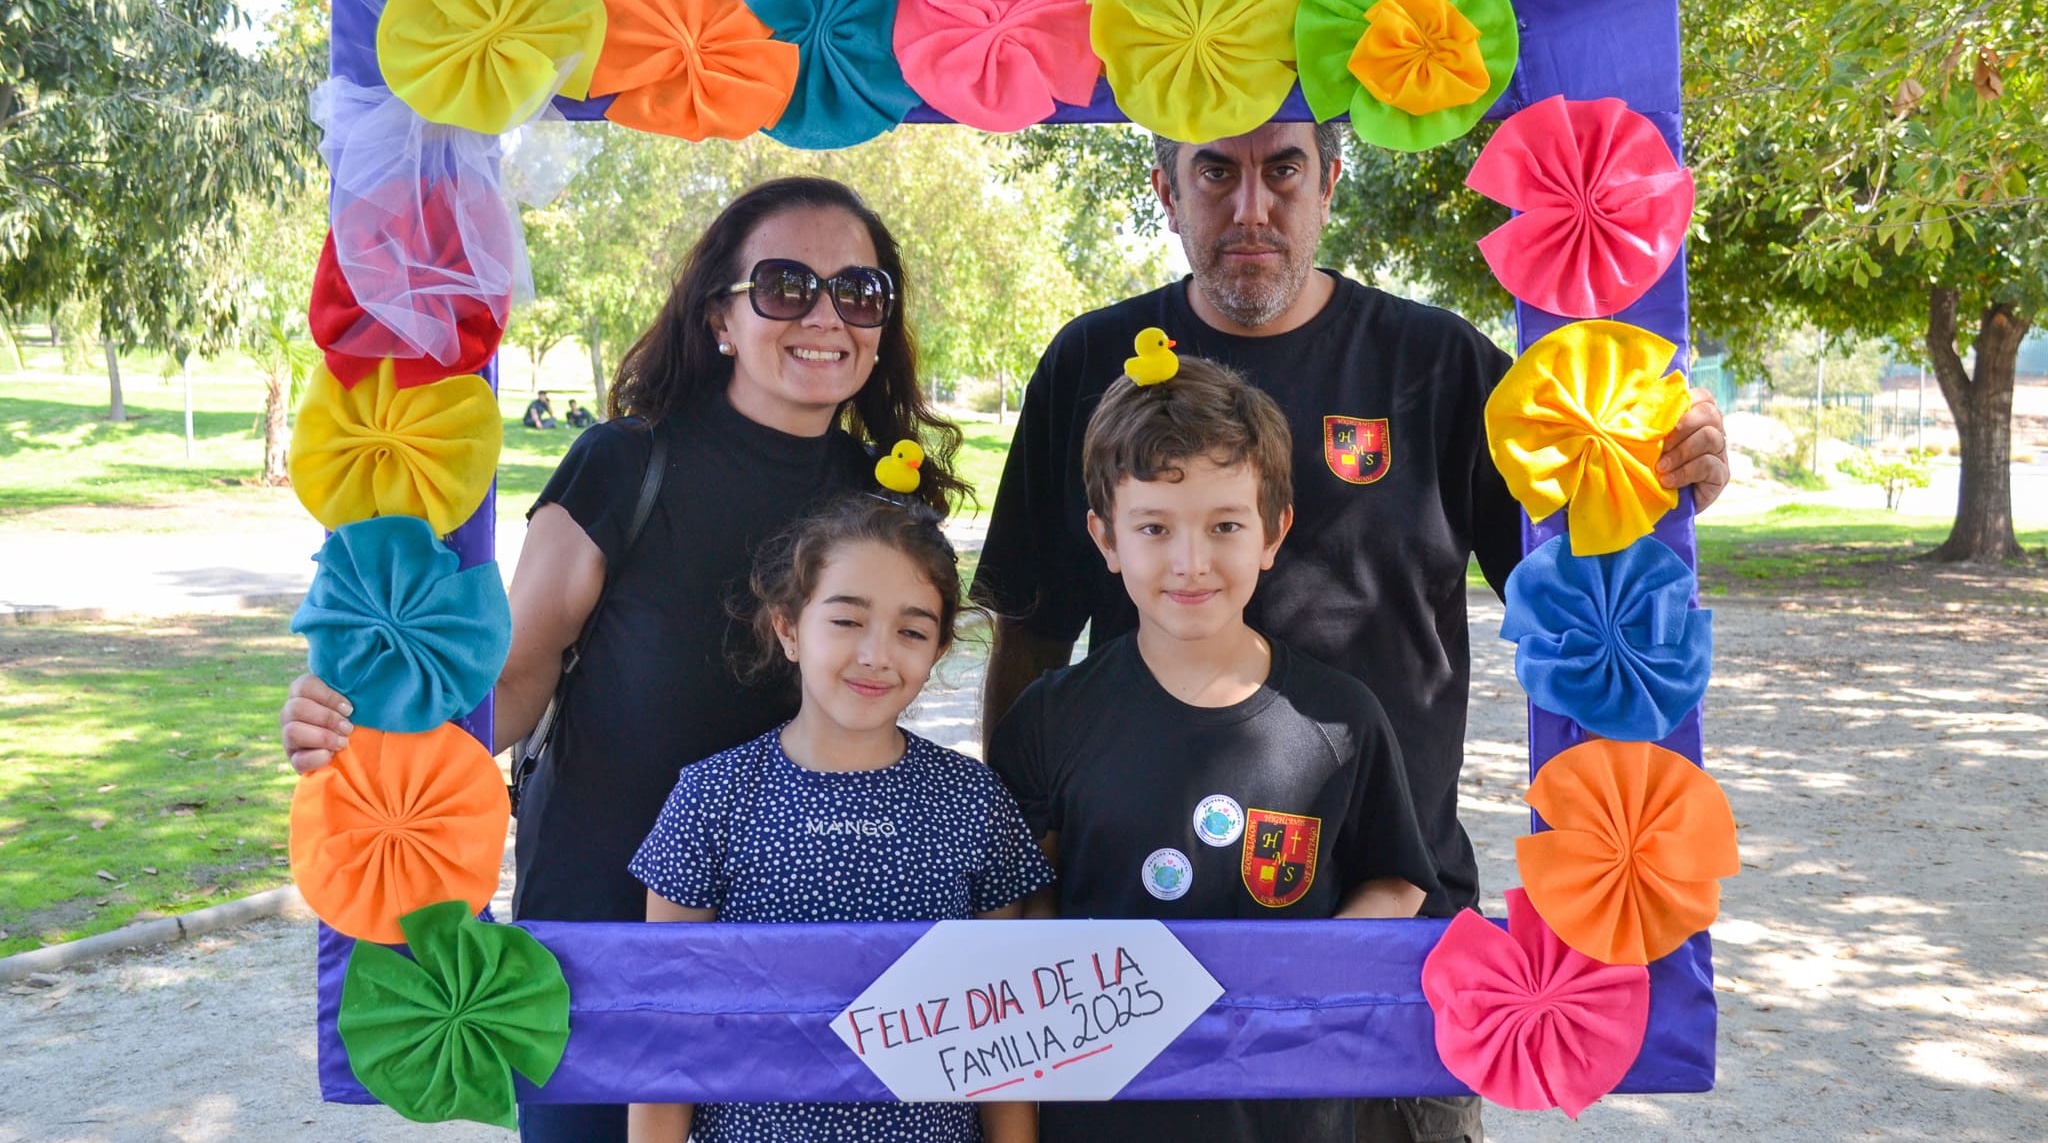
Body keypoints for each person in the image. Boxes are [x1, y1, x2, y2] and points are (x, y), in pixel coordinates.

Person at [972, 120, 1730, 1143]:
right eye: (1214, 171)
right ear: (1164, 189)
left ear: (1329, 181)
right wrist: (1016, 869)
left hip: (1398, 927)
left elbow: (1580, 584)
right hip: (1131, 947)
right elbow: (1027, 635)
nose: (1250, 207)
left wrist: (1657, 475)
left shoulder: (1438, 365)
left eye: (1283, 169)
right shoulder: (1088, 362)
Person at [281, 176, 970, 1143]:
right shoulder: (622, 465)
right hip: (603, 943)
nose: (825, 315)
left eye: (859, 292)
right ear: (720, 318)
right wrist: (366, 735)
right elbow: (514, 682)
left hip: (795, 953)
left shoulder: (886, 508)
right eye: (785, 285)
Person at [988, 355, 1438, 1142]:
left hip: (1286, 1120)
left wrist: (1305, 981)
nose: (1190, 562)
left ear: (1274, 531)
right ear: (1105, 537)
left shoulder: (1340, 720)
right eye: (1154, 527)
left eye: (1225, 525)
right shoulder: (1050, 719)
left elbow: (1396, 880)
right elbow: (1019, 919)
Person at [628, 493, 1052, 1143]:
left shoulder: (975, 802)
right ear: (788, 628)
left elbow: (1003, 1038)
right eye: (848, 620)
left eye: (911, 631)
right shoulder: (711, 798)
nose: (877, 654)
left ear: (938, 649)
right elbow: (668, 1028)